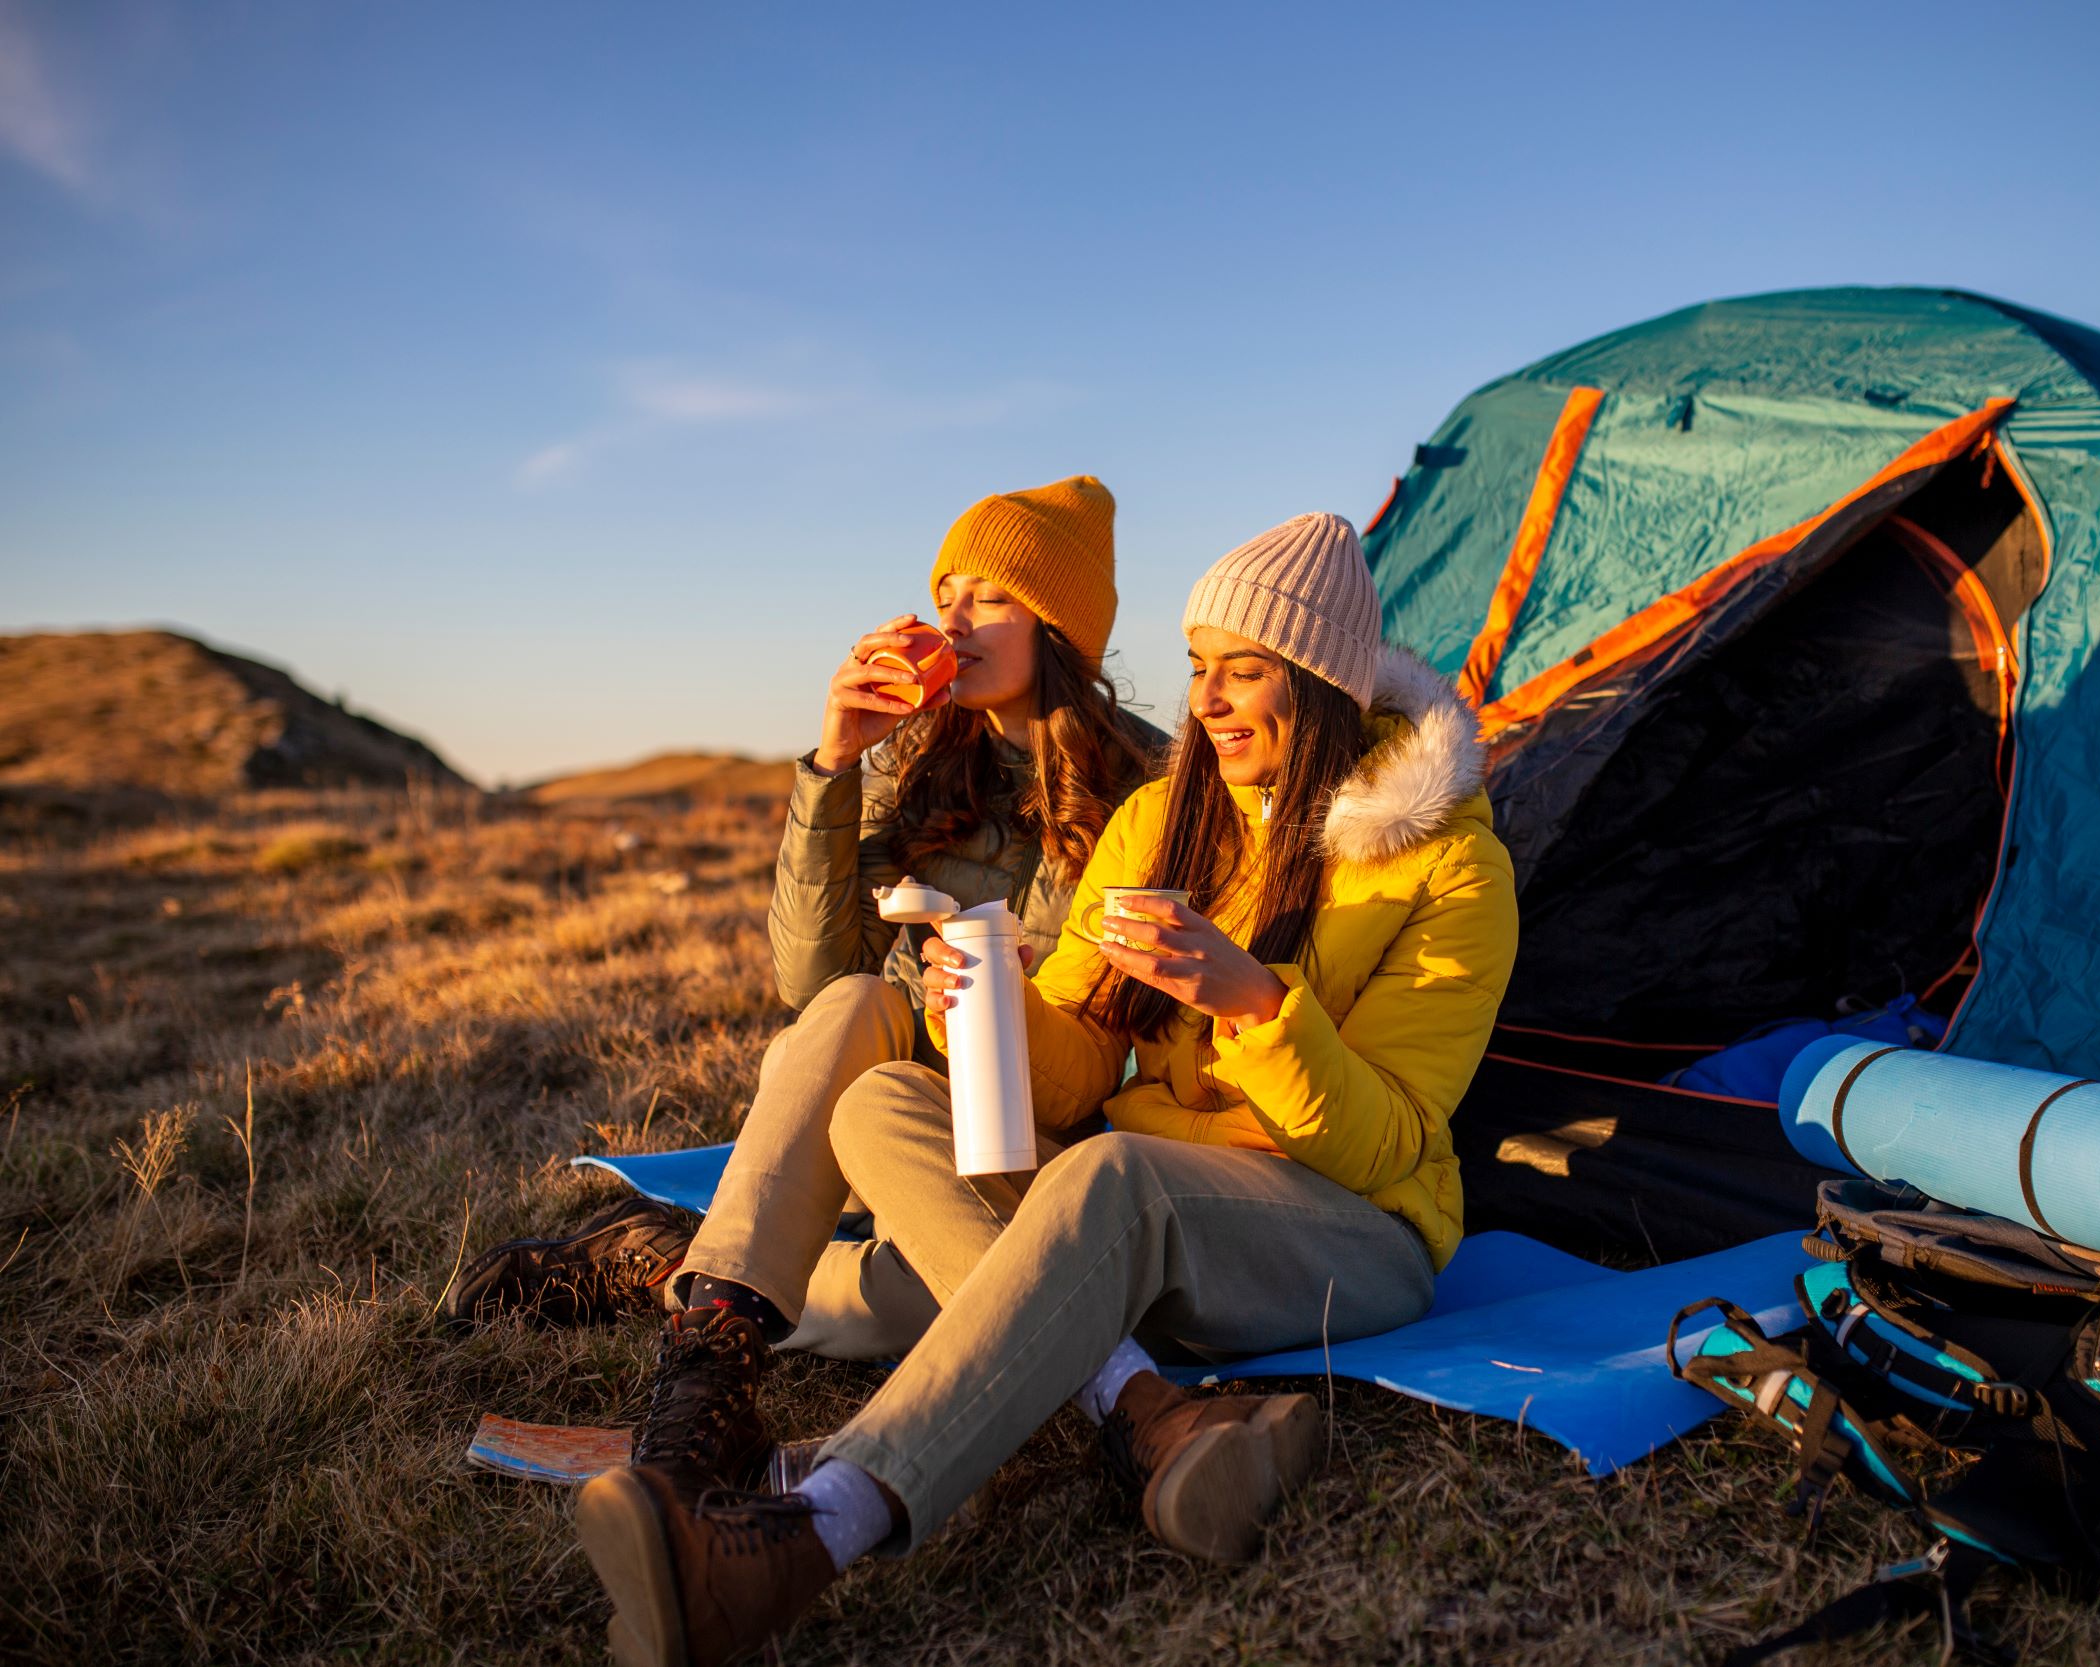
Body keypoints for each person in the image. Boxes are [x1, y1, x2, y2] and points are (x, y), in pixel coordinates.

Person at [573, 512, 1520, 1667]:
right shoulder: (1163, 820)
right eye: (1199, 671)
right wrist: (987, 988)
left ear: (1319, 685)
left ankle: (804, 1532)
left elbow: (1391, 1140)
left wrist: (1256, 1005)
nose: (1211, 703)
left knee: (1102, 1182)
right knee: (882, 1104)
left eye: (1246, 672)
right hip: (1150, 1211)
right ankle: (1138, 1409)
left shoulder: (1451, 867)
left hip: (1347, 1227)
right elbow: (1072, 1056)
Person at [448, 478, 1161, 1456]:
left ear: (1057, 624)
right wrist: (834, 763)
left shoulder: (1150, 789)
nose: (952, 618)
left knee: (929, 1302)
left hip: (1035, 1139)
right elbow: (814, 980)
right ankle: (707, 1368)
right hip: (875, 1113)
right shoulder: (915, 759)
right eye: (943, 590)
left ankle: (671, 1264)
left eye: (989, 596)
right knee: (860, 995)